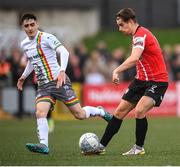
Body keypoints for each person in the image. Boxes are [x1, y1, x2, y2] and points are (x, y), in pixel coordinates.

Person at [17, 13, 112, 154]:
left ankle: (99, 111)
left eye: (32, 25)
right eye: (26, 26)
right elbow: (32, 61)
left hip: (59, 81)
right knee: (40, 113)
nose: (30, 28)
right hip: (43, 85)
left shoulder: (46, 37)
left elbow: (64, 52)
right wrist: (23, 76)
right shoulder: (24, 44)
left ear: (37, 24)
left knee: (79, 114)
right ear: (23, 27)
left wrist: (62, 71)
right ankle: (44, 145)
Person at [96, 8, 168, 156]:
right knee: (119, 112)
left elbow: (134, 58)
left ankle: (139, 148)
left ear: (130, 22)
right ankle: (100, 147)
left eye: (121, 25)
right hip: (141, 80)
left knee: (140, 110)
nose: (120, 28)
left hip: (157, 81)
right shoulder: (137, 35)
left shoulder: (140, 35)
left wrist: (116, 70)